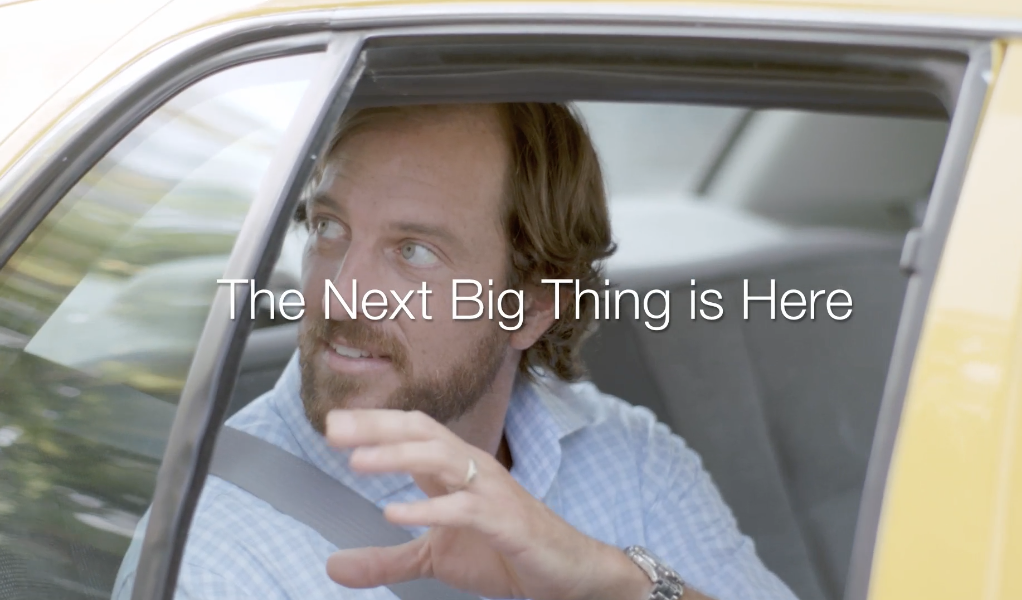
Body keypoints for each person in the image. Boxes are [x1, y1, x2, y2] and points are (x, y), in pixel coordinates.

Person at [112, 102, 798, 600]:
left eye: (413, 251)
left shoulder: (627, 457)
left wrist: (613, 583)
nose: (340, 296)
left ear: (531, 306)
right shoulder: (212, 556)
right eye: (328, 228)